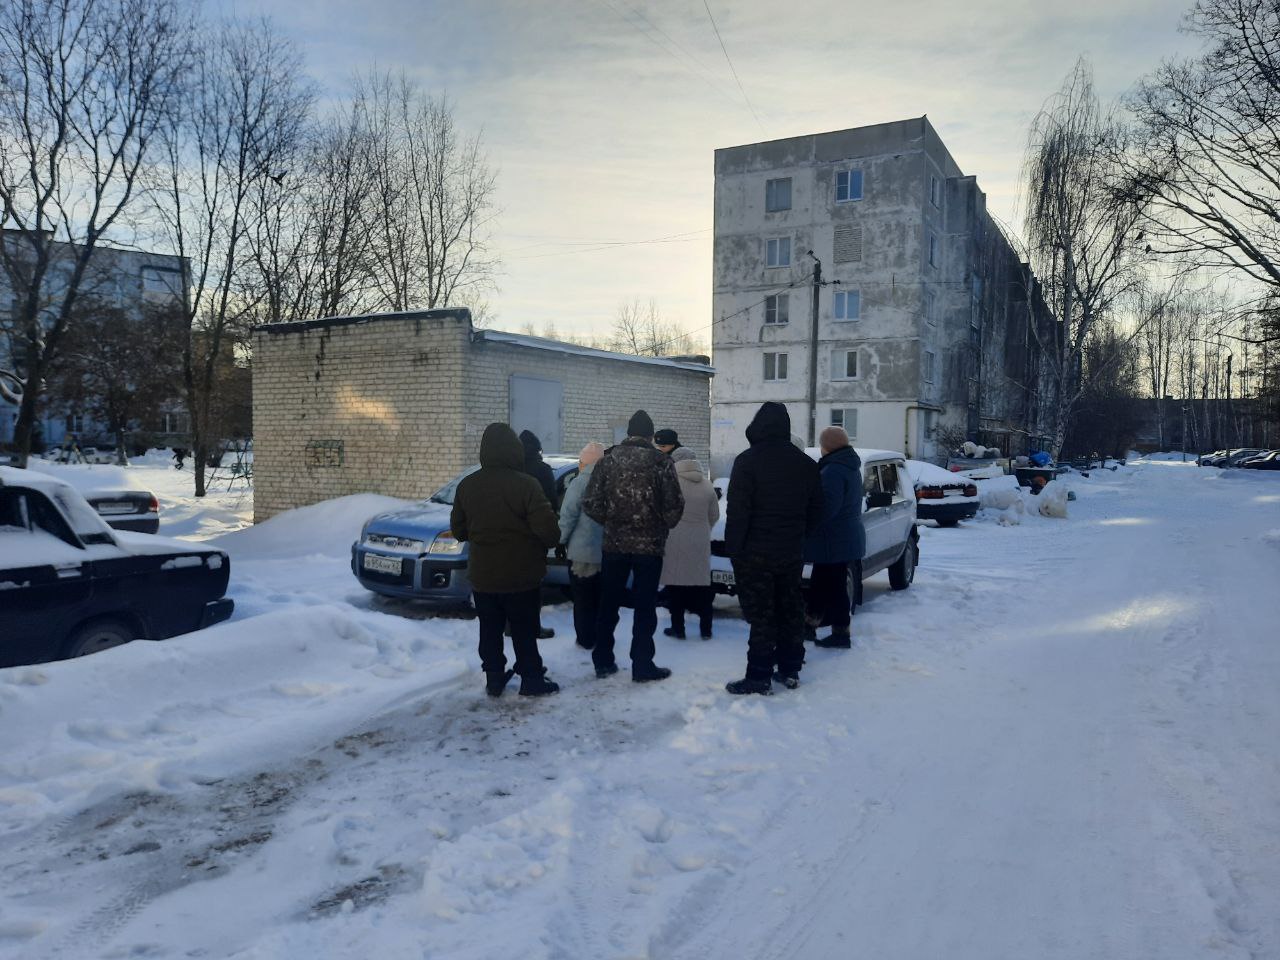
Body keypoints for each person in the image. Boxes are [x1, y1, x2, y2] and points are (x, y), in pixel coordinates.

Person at [450, 423, 563, 698]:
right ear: (515, 450)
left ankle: (494, 678)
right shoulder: (527, 484)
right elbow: (549, 533)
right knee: (524, 629)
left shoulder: (468, 485)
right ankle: (531, 679)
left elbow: (459, 530)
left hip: (483, 576)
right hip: (522, 575)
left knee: (489, 629)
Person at [723, 402, 823, 695]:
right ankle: (790, 667)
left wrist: (734, 550)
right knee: (790, 607)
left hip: (754, 552)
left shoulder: (747, 461)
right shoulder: (806, 464)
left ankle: (758, 676)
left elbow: (738, 511)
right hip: (790, 551)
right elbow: (818, 509)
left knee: (762, 615)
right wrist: (800, 534)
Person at [582, 409, 684, 682]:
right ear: (651, 436)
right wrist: (659, 525)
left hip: (614, 545)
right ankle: (642, 666)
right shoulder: (661, 462)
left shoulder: (607, 461)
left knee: (608, 604)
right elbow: (675, 508)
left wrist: (612, 522)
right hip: (649, 549)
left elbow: (590, 502)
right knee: (644, 607)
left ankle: (603, 661)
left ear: (628, 433)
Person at [803, 426, 865, 649]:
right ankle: (810, 625)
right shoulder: (849, 466)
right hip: (842, 538)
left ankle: (839, 633)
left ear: (826, 446)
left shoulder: (833, 471)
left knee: (834, 586)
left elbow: (827, 508)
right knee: (823, 582)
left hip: (832, 540)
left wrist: (805, 523)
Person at [661, 447, 719, 640]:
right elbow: (714, 515)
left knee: (676, 587)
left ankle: (678, 629)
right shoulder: (707, 485)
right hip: (700, 539)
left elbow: (662, 512)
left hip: (674, 539)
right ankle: (706, 629)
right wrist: (702, 529)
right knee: (701, 586)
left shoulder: (670, 483)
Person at [559, 442, 606, 651]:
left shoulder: (580, 483)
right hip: (605, 552)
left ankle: (586, 639)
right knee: (599, 598)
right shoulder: (611, 481)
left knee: (583, 599)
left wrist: (560, 541)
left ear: (583, 463)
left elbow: (568, 514)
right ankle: (599, 636)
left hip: (581, 552)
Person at [517, 429, 557, 640]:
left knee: (511, 582)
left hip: (511, 535)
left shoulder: (511, 469)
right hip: (534, 536)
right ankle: (534, 626)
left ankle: (509, 624)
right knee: (533, 584)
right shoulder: (542, 470)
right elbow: (551, 502)